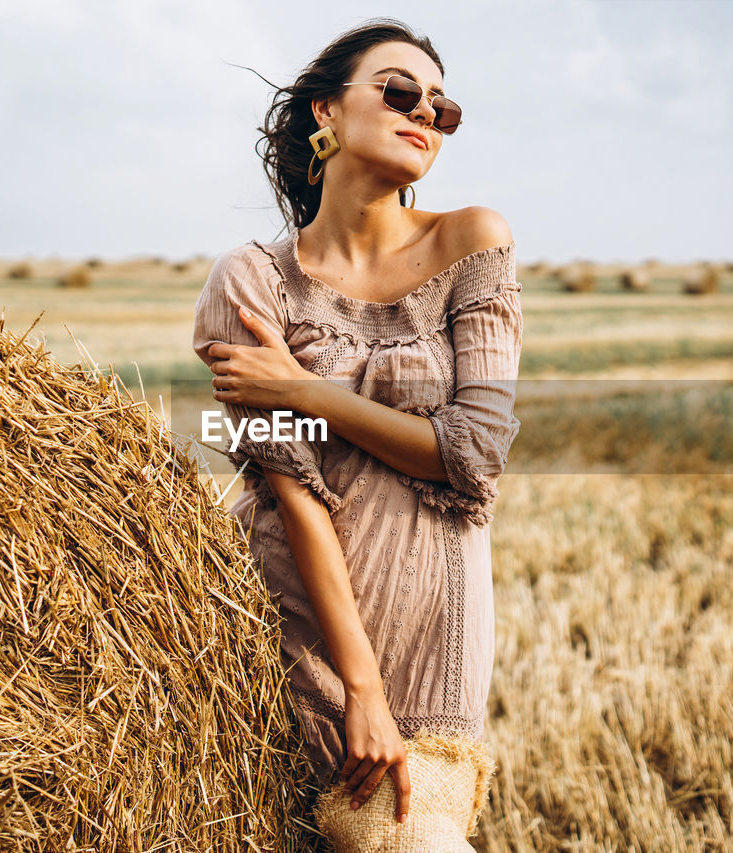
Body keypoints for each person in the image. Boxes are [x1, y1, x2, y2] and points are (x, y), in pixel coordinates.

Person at [191, 18, 521, 850]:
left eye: (442, 109)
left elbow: (474, 451)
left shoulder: (473, 240)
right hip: (314, 640)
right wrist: (358, 686)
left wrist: (305, 388)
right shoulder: (252, 279)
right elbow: (291, 485)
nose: (425, 115)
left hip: (438, 640)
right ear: (324, 113)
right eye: (400, 91)